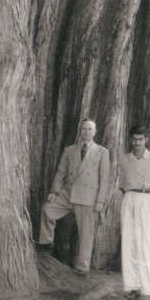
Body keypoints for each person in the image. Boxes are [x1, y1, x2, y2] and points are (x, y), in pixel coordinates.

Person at [38, 118, 110, 277]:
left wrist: (100, 201)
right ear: (80, 131)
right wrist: (54, 191)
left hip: (88, 196)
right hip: (68, 193)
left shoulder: (102, 152)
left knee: (86, 233)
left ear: (95, 132)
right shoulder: (69, 150)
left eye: (89, 129)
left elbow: (105, 179)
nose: (86, 132)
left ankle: (82, 267)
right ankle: (46, 243)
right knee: (47, 209)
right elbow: (60, 173)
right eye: (83, 129)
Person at [119, 124, 150, 300]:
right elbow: (122, 184)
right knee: (130, 243)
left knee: (148, 244)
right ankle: (133, 287)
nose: (137, 143)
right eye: (134, 139)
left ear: (146, 140)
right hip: (129, 199)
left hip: (147, 199)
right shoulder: (124, 159)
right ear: (130, 140)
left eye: (141, 139)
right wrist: (132, 198)